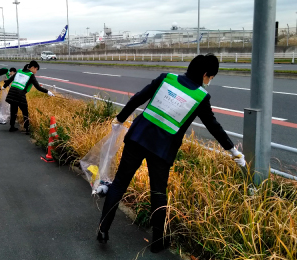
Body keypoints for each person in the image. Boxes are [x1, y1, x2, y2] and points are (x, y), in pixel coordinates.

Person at [97, 54, 246, 253]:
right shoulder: (201, 97)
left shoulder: (166, 78)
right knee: (158, 192)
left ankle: (102, 230)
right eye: (211, 76)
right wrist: (233, 151)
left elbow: (138, 98)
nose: (210, 80)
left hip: (138, 137)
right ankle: (158, 241)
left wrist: (120, 119)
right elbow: (213, 127)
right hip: (162, 149)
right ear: (204, 74)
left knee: (119, 184)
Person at [3, 60, 55, 134]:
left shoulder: (20, 71)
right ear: (33, 67)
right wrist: (47, 92)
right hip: (20, 94)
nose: (36, 71)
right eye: (36, 69)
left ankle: (12, 127)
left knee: (13, 110)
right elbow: (38, 87)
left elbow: (10, 79)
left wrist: (4, 86)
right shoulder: (30, 75)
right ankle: (27, 129)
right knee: (25, 111)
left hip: (12, 92)